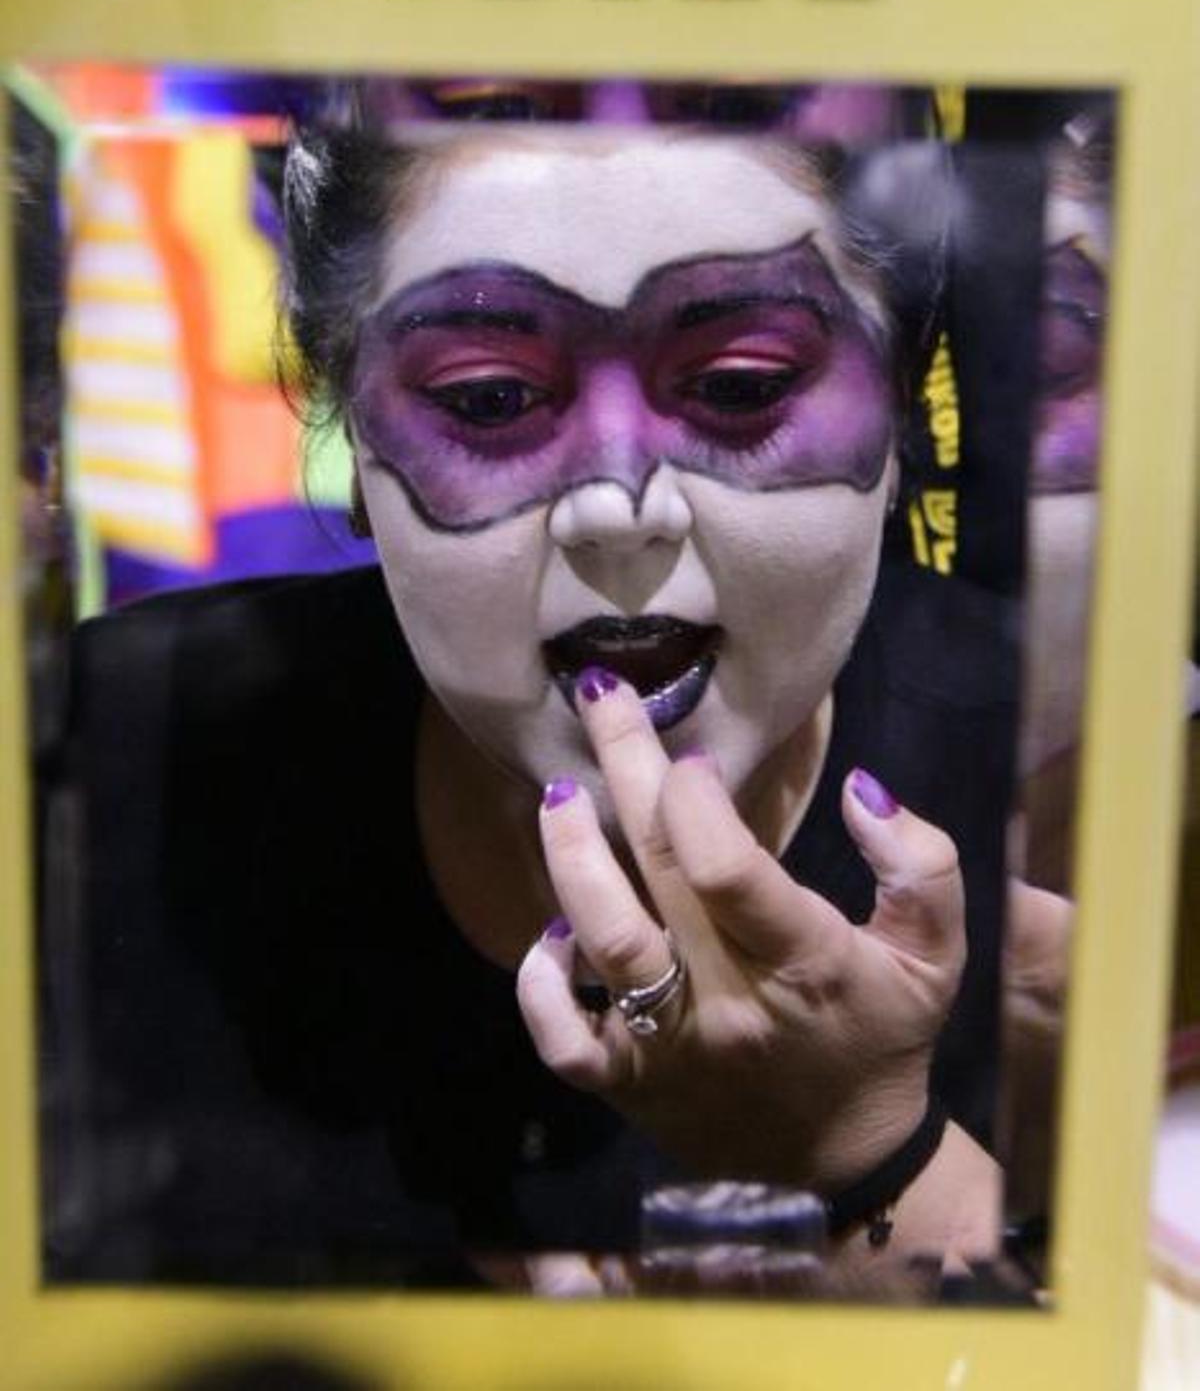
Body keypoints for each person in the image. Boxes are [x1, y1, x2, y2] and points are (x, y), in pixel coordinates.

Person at [53, 97, 1024, 1293]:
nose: (619, 510)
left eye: (740, 383)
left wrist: (865, 1147)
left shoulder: (1060, 772)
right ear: (352, 432)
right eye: (489, 399)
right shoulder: (101, 759)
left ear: (902, 408)